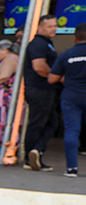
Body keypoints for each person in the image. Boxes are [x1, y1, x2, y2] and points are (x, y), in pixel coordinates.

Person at [48, 22, 86, 177]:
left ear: (75, 38)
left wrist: (66, 77)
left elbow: (52, 79)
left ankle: (72, 168)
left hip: (71, 96)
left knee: (71, 131)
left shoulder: (66, 54)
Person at [22, 14, 60, 172]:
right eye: (50, 26)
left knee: (51, 122)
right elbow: (39, 66)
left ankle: (36, 150)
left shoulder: (47, 43)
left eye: (55, 26)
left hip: (45, 89)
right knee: (38, 124)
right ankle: (31, 155)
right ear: (40, 27)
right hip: (39, 89)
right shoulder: (38, 43)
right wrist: (56, 77)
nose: (54, 29)